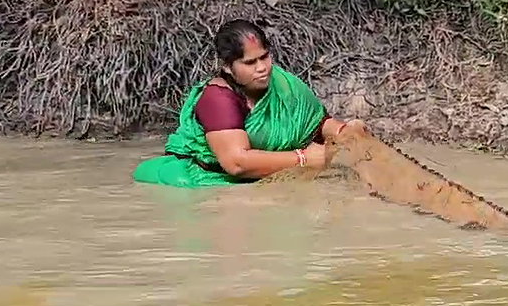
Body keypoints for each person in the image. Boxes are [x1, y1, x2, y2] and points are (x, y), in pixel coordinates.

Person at [132, 19, 364, 187]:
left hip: (267, 175)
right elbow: (237, 164)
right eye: (250, 62)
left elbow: (315, 123)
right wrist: (304, 158)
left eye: (264, 57)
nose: (262, 68)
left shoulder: (283, 83)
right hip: (205, 179)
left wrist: (343, 131)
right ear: (227, 66)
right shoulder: (217, 99)